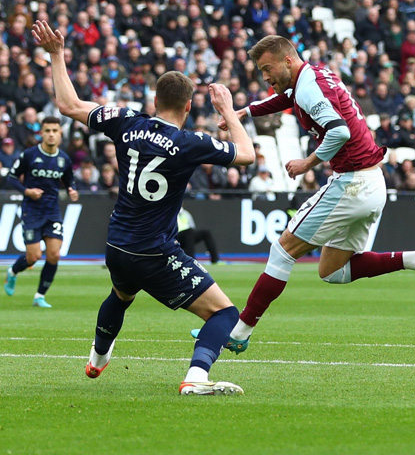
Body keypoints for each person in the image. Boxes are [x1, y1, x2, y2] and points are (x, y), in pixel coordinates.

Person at [32, 20, 255, 396]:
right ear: (188, 105)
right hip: (153, 250)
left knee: (121, 295)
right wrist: (229, 111)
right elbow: (247, 155)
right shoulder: (190, 142)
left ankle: (97, 360)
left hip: (117, 245)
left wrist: (55, 54)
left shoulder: (125, 121)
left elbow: (68, 104)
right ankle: (196, 377)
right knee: (225, 314)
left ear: (154, 100)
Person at [218, 35, 415, 355]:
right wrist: (246, 111)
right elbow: (289, 98)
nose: (265, 77)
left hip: (353, 182)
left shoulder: (309, 87)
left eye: (267, 69)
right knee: (333, 271)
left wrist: (308, 161)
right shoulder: (311, 77)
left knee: (282, 251)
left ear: (287, 60)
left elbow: (339, 131)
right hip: (372, 182)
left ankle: (239, 332)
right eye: (261, 72)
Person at [3, 116, 79, 308]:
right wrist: (26, 191)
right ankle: (12, 272)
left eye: (55, 131)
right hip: (32, 210)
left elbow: (69, 180)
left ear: (60, 134)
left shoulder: (64, 159)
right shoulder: (29, 155)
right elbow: (11, 178)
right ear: (41, 133)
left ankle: (39, 296)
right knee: (33, 257)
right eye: (47, 131)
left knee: (54, 255)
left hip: (52, 211)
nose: (51, 134)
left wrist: (72, 190)